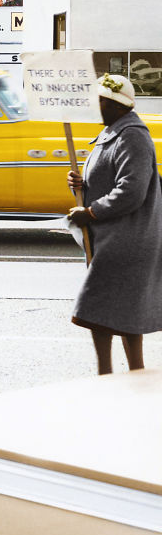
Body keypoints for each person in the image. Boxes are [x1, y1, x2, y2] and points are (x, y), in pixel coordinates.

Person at [67, 73, 162, 374]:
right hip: (115, 237)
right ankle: (116, 373)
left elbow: (131, 190)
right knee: (119, 310)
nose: (96, 107)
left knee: (101, 306)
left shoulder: (131, 135)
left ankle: (112, 374)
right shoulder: (113, 132)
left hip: (127, 239)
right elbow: (107, 179)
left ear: (116, 105)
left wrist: (91, 212)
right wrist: (79, 186)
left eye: (100, 101)